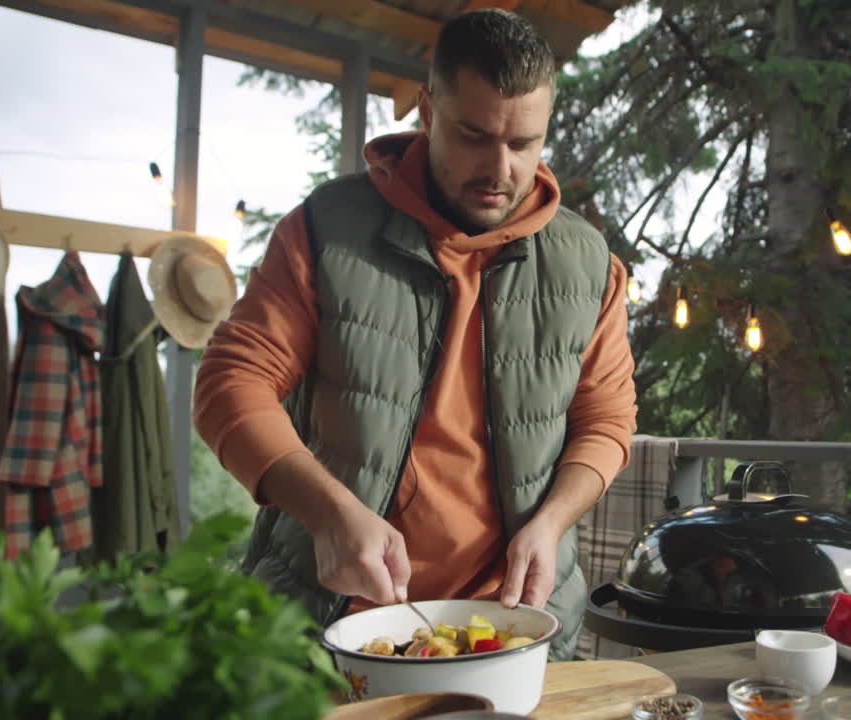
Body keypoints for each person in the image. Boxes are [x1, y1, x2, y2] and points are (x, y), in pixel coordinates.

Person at [193, 8, 637, 660]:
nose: (500, 168)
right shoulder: (324, 229)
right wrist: (326, 512)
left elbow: (608, 419)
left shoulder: (590, 264)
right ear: (427, 111)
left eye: (523, 144)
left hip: (517, 629)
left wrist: (552, 521)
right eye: (473, 134)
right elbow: (230, 384)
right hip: (325, 630)